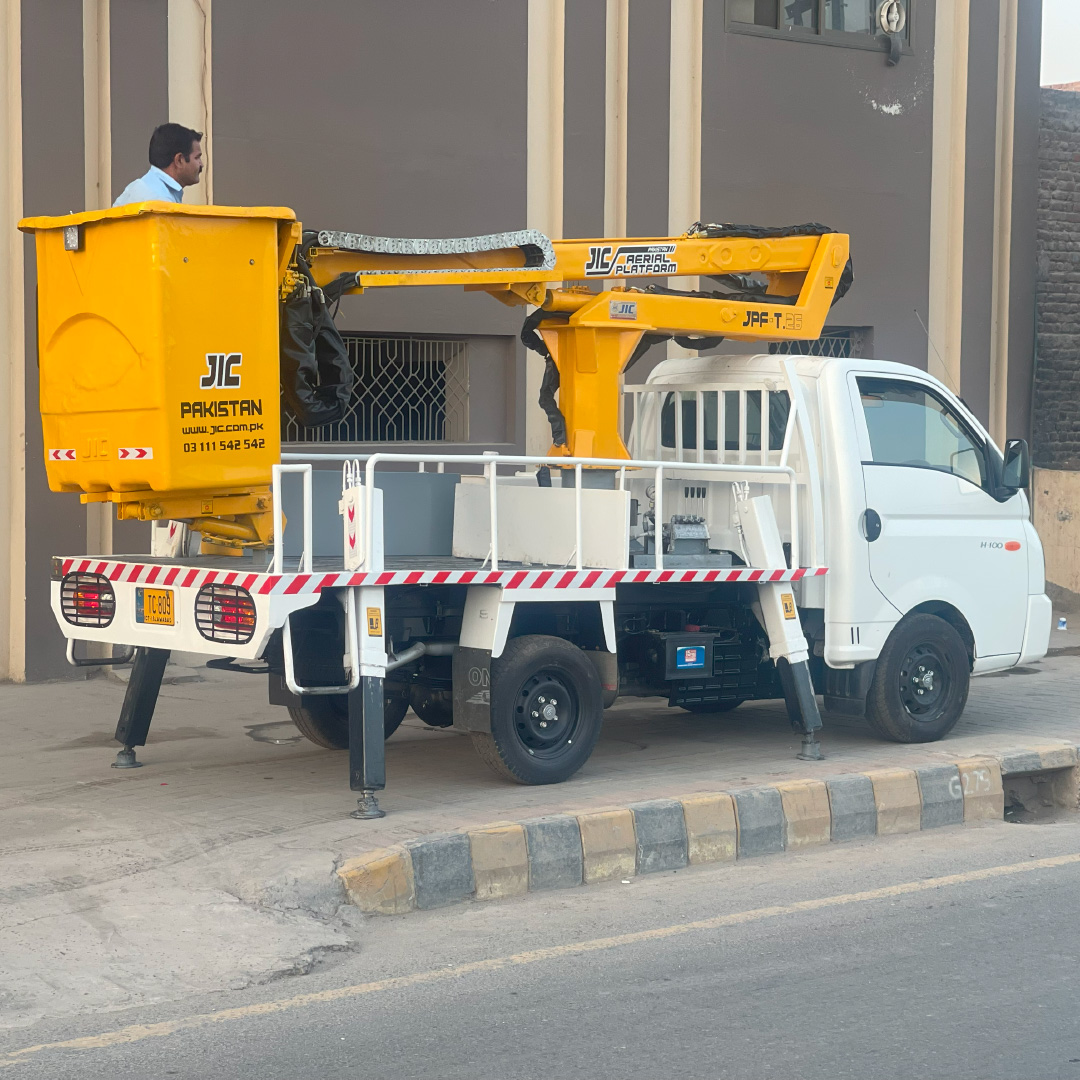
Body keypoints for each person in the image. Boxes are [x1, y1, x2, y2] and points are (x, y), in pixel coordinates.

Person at [113, 123, 204, 207]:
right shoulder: (160, 202)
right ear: (179, 160)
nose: (201, 164)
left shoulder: (137, 188)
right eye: (197, 157)